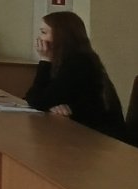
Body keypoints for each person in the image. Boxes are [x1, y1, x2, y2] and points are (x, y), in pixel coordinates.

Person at [26, 11, 127, 142]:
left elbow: (38, 101)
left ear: (61, 35)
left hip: (101, 137)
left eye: (44, 32)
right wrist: (52, 104)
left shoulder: (79, 62)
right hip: (84, 130)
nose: (40, 39)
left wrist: (45, 60)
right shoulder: (69, 59)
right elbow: (35, 97)